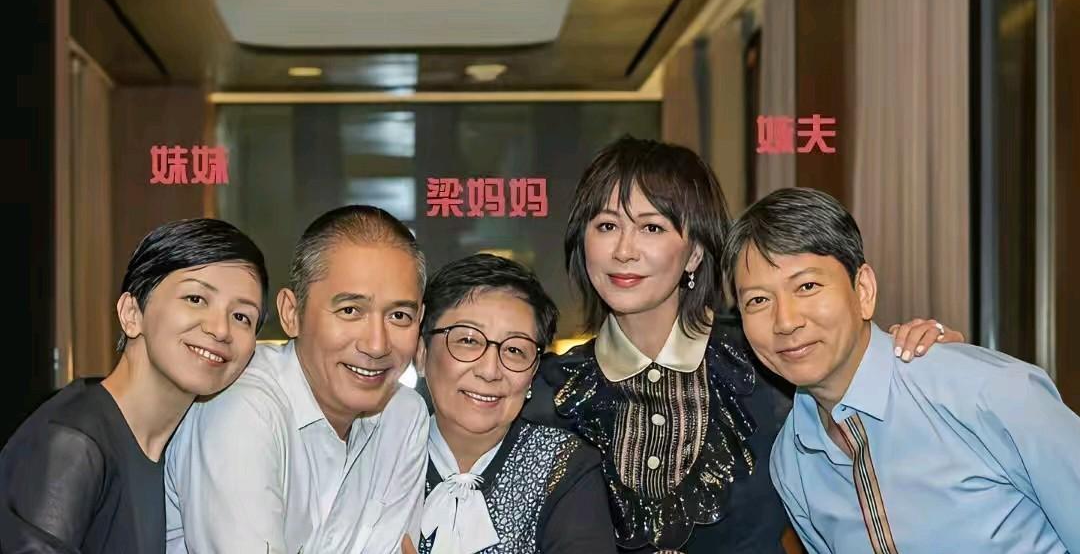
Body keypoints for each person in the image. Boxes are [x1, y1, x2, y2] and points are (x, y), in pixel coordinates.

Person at [522, 136, 961, 553]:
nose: (623, 250)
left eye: (651, 227)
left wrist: (922, 352)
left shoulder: (768, 357)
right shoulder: (547, 392)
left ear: (695, 253)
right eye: (606, 225)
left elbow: (870, 386)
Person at [725, 187, 1080, 553]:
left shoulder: (986, 393)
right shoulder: (792, 460)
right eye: (758, 300)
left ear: (863, 290)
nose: (785, 321)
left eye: (807, 286)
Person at [165, 206, 429, 554]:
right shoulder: (243, 408)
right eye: (350, 310)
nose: (377, 345)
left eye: (399, 316)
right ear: (292, 313)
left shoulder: (404, 416)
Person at [0, 218, 269, 553]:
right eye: (196, 298)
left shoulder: (184, 444)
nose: (221, 330)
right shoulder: (72, 443)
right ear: (132, 313)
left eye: (241, 316)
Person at [414, 254, 616, 554]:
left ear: (533, 373)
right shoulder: (382, 456)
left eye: (515, 350)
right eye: (468, 341)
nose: (490, 370)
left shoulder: (563, 465)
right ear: (421, 353)